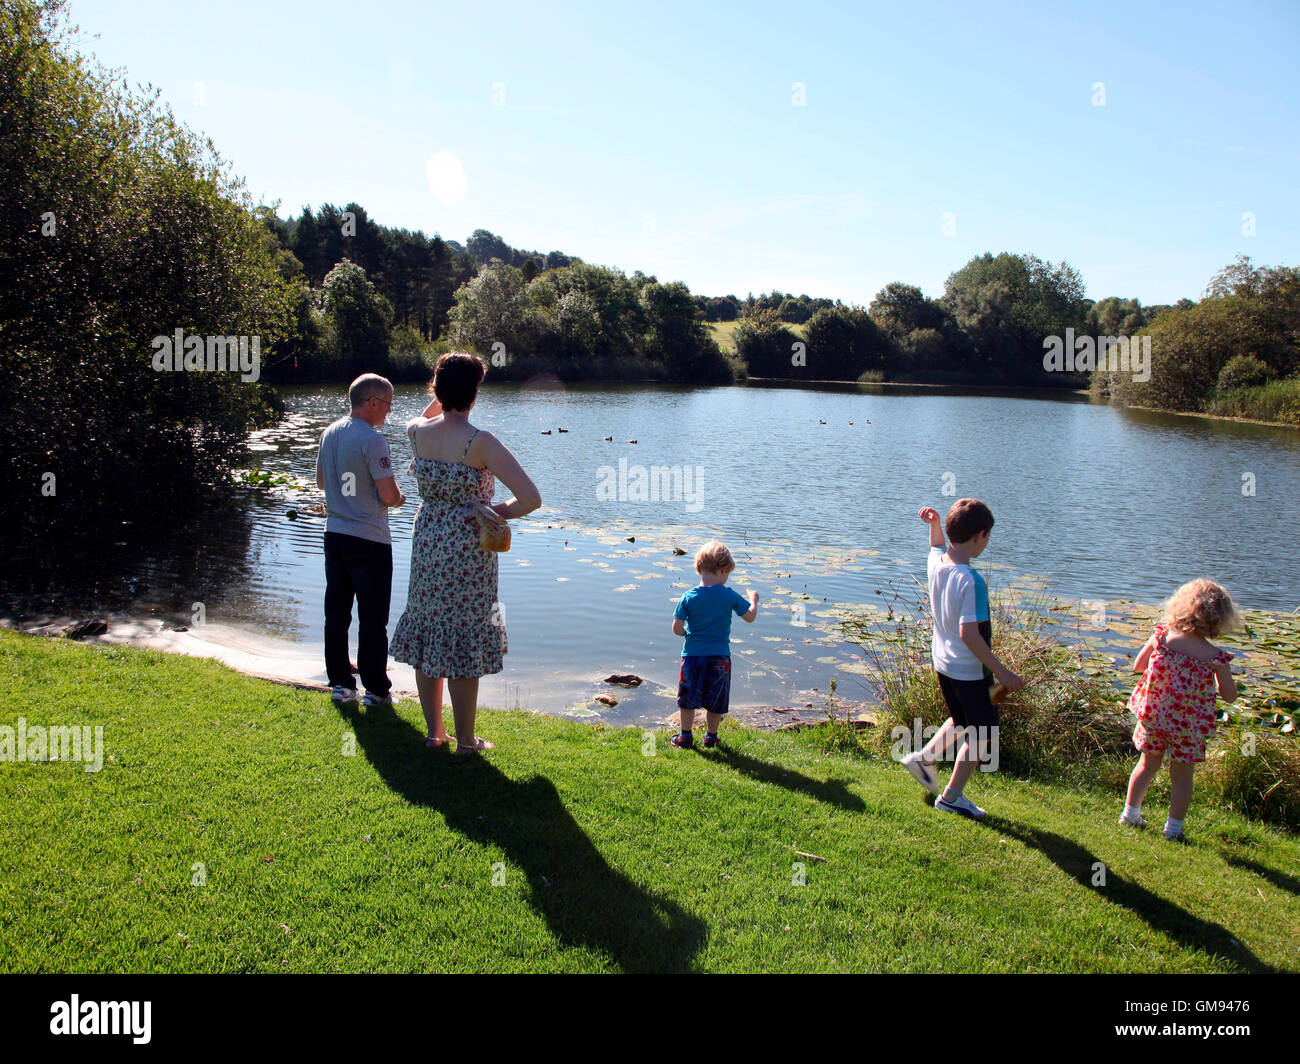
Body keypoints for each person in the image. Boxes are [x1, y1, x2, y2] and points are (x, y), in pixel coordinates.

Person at [389, 353, 541, 756]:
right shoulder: (481, 442)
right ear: (474, 394)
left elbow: (428, 412)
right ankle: (468, 742)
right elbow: (531, 499)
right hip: (467, 551)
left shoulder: (417, 431)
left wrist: (442, 390)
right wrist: (494, 512)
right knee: (463, 638)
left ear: (435, 388)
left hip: (427, 543)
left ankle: (435, 733)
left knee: (430, 631)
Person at [900, 499, 1023, 819]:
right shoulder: (971, 580)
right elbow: (970, 634)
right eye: (987, 537)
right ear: (979, 535)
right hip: (969, 671)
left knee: (962, 721)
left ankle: (924, 759)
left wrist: (933, 526)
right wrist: (1004, 673)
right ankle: (952, 796)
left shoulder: (938, 564)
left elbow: (936, 547)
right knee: (984, 735)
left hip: (943, 664)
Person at [1120, 579, 1239, 841]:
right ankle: (1173, 830)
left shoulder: (1162, 636)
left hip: (1155, 718)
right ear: (1220, 619)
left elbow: (1139, 666)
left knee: (1146, 765)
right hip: (1189, 727)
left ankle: (1130, 815)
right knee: (1182, 778)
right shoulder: (1216, 657)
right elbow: (1230, 697)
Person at [316, 373, 406, 708]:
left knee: (337, 612)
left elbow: (323, 483)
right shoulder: (373, 440)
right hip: (369, 539)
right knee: (372, 616)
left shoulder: (329, 432)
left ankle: (340, 682)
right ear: (372, 403)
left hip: (334, 534)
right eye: (388, 405)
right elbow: (388, 493)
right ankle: (377, 690)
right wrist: (399, 500)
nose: (389, 412)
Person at [670, 540, 758, 750]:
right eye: (728, 573)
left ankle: (685, 736)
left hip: (692, 656)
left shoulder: (688, 597)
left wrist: (687, 634)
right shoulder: (728, 595)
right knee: (716, 697)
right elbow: (750, 617)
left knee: (688, 697)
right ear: (723, 570)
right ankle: (711, 736)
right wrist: (753, 599)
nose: (727, 578)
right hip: (720, 657)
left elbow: (676, 628)